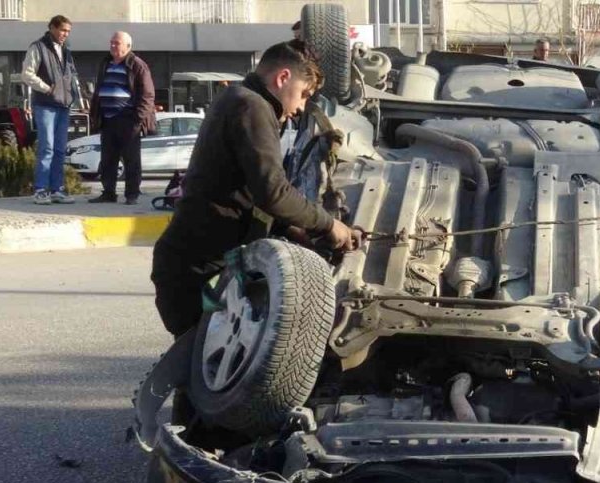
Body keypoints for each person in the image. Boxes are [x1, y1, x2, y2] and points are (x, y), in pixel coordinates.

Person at [151, 40, 356, 338]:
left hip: (193, 264)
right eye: (303, 94)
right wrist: (328, 224)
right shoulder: (252, 106)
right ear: (283, 77)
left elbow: (250, 194)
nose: (300, 108)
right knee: (204, 358)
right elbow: (273, 193)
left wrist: (296, 230)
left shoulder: (238, 99)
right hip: (196, 272)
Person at [88, 31, 156, 205]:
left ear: (128, 46)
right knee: (108, 159)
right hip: (108, 120)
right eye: (111, 42)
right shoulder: (106, 63)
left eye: (116, 43)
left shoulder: (137, 65)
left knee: (131, 160)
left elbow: (148, 94)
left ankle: (132, 194)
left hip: (128, 120)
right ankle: (108, 193)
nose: (112, 46)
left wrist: (137, 118)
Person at [22, 15, 82, 206]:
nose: (65, 34)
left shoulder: (66, 50)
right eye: (63, 30)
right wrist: (47, 89)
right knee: (46, 147)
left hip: (64, 106)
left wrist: (76, 97)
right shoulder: (38, 47)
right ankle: (40, 190)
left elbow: (72, 76)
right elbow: (27, 74)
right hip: (45, 105)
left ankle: (57, 189)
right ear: (52, 28)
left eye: (68, 31)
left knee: (59, 149)